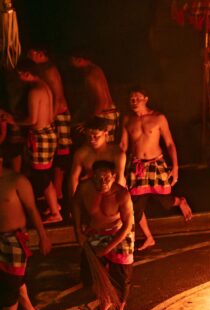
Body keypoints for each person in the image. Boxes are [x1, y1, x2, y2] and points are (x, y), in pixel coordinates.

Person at [121, 87, 192, 251]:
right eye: (131, 99)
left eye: (137, 98)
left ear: (146, 99)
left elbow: (170, 144)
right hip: (136, 166)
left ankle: (180, 201)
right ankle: (149, 238)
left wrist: (175, 168)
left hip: (156, 164)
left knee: (166, 201)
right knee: (135, 208)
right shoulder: (127, 119)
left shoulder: (158, 118)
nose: (134, 101)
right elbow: (123, 146)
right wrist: (120, 171)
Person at [72, 159, 135, 310]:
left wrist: (107, 248)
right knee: (92, 274)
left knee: (122, 277)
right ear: (91, 176)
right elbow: (76, 205)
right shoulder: (84, 188)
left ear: (114, 176)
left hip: (119, 233)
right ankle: (104, 301)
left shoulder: (122, 194)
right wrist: (77, 231)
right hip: (95, 231)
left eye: (106, 178)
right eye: (98, 179)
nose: (102, 183)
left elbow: (127, 225)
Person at [2, 66, 63, 223]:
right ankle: (54, 205)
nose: (19, 78)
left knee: (41, 176)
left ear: (27, 73)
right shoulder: (43, 85)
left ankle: (55, 213)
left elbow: (32, 120)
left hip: (40, 136)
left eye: (20, 75)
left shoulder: (34, 91)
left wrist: (13, 120)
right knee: (45, 174)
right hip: (48, 132)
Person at [0, 163, 52, 310]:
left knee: (9, 285)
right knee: (13, 280)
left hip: (14, 240)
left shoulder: (17, 181)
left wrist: (43, 237)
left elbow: (32, 209)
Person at [27, 48, 73, 198]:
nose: (28, 55)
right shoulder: (42, 69)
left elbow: (58, 98)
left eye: (31, 52)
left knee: (61, 153)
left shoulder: (48, 71)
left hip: (59, 114)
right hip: (54, 115)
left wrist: (49, 120)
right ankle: (51, 191)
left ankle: (57, 190)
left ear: (40, 54)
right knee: (54, 154)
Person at [69, 117, 127, 198]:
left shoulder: (116, 154)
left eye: (96, 136)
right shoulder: (81, 154)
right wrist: (75, 199)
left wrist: (114, 200)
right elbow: (74, 178)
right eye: (89, 136)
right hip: (91, 194)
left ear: (105, 133)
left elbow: (119, 179)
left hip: (113, 194)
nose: (92, 140)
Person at [69, 54, 120, 139]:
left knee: (99, 143)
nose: (70, 63)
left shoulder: (91, 74)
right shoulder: (94, 69)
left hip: (104, 114)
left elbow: (102, 101)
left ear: (79, 59)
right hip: (107, 112)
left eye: (71, 60)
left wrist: (88, 120)